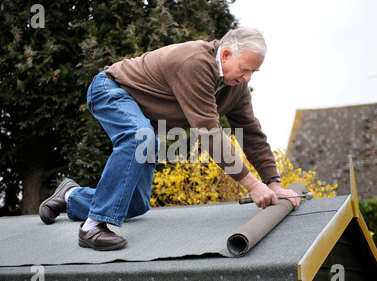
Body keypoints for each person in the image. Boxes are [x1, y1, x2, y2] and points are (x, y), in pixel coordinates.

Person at [39, 28, 301, 251]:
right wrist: (253, 185)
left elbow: (251, 132)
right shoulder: (195, 63)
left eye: (254, 72)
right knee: (139, 136)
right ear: (226, 54)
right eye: (245, 69)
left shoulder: (237, 88)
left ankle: (71, 195)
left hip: (143, 114)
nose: (247, 78)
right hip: (111, 89)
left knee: (133, 204)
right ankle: (93, 226)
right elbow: (209, 132)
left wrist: (273, 182)